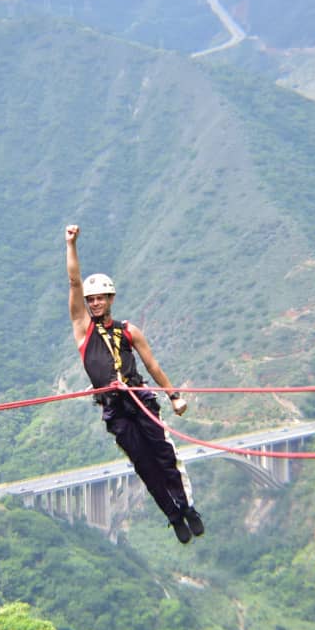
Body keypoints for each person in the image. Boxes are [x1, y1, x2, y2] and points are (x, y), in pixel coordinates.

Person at [65, 224, 204, 544]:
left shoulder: (129, 331)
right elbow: (73, 283)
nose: (95, 303)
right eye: (92, 300)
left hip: (140, 399)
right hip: (114, 409)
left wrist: (174, 396)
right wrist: (70, 245)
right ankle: (173, 514)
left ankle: (188, 508)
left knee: (165, 455)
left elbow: (152, 365)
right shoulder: (83, 331)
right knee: (144, 464)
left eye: (101, 298)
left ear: (111, 299)